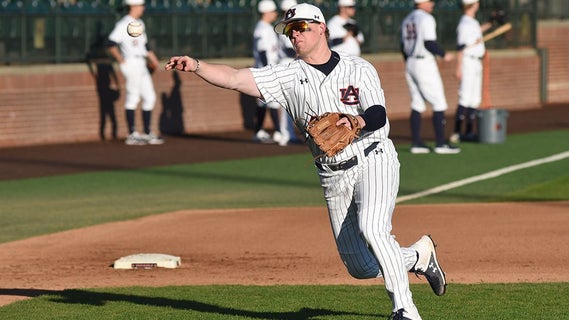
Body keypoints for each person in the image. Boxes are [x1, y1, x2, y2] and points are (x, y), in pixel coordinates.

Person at [165, 3, 446, 320]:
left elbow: (379, 115)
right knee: (361, 267)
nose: (294, 34)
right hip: (332, 174)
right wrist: (198, 66)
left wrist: (357, 122)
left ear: (322, 28)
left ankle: (405, 310)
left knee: (373, 227)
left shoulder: (359, 68)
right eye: (290, 30)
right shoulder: (285, 75)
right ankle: (417, 257)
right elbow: (233, 77)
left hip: (373, 157)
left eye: (301, 28)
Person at [401, 0, 460, 154]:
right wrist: (444, 54)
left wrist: (409, 63)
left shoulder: (407, 18)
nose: (432, 4)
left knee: (417, 103)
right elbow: (429, 43)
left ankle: (416, 143)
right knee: (439, 102)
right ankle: (441, 144)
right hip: (424, 62)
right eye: (430, 1)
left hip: (410, 62)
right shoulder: (426, 18)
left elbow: (402, 46)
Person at [107, 0, 164, 145]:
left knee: (150, 97)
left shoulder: (140, 23)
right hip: (130, 62)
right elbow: (110, 43)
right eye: (141, 5)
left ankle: (147, 132)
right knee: (133, 97)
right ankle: (132, 134)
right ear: (133, 6)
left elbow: (145, 45)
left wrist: (154, 59)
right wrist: (121, 60)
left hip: (141, 62)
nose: (143, 8)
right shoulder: (123, 24)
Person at [450, 0, 494, 143]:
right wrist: (458, 68)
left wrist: (491, 23)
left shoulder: (472, 22)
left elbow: (476, 33)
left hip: (477, 62)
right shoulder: (464, 23)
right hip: (468, 62)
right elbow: (461, 47)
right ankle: (456, 132)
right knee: (465, 97)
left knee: (475, 99)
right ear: (473, 4)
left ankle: (468, 132)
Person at [251, 0, 285, 144]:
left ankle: (259, 131)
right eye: (273, 11)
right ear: (265, 12)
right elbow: (262, 51)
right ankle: (278, 132)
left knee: (264, 103)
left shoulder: (266, 28)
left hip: (267, 69)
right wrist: (267, 72)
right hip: (266, 70)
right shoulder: (262, 29)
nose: (275, 14)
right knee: (272, 102)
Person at [275, 0, 302, 145]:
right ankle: (285, 134)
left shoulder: (287, 24)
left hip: (289, 63)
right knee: (286, 102)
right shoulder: (285, 25)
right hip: (286, 63)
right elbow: (288, 49)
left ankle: (288, 133)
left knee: (291, 102)